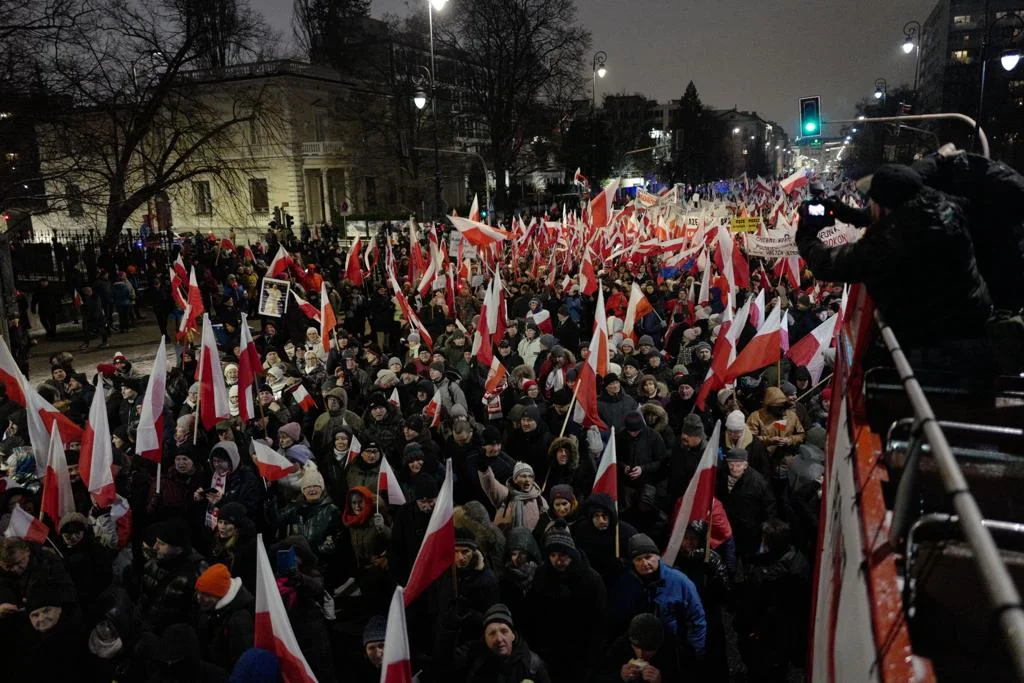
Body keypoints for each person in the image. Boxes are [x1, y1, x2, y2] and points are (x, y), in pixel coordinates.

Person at [796, 163, 992, 348]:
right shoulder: (946, 208)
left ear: (883, 206)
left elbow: (828, 264)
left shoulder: (889, 243)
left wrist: (805, 234)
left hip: (932, 342)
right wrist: (846, 213)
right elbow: (895, 215)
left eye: (872, 202)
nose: (870, 206)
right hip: (974, 325)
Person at [524, 523, 607, 683]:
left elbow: (599, 622)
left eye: (562, 555)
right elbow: (533, 613)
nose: (557, 561)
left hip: (579, 654)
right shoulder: (543, 574)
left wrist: (591, 658)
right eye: (553, 555)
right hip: (549, 651)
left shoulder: (591, 580)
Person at [610, 533, 707, 662]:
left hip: (673, 650)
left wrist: (695, 651)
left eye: (648, 557)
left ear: (658, 556)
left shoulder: (680, 582)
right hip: (640, 650)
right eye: (638, 559)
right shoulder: (626, 583)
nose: (644, 563)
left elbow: (696, 617)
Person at [454, 603, 551, 683]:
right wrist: (449, 629)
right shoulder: (473, 658)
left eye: (504, 631)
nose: (499, 639)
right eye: (492, 633)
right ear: (485, 638)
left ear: (513, 635)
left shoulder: (532, 665)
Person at [195, 563, 255, 670]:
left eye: (206, 595)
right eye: (198, 592)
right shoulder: (210, 608)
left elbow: (240, 661)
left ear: (221, 594)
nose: (199, 598)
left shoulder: (239, 620)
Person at [597, 612, 680, 683]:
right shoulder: (621, 645)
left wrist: (660, 680)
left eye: (647, 649)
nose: (640, 655)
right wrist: (619, 676)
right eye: (636, 647)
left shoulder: (669, 648)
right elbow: (596, 677)